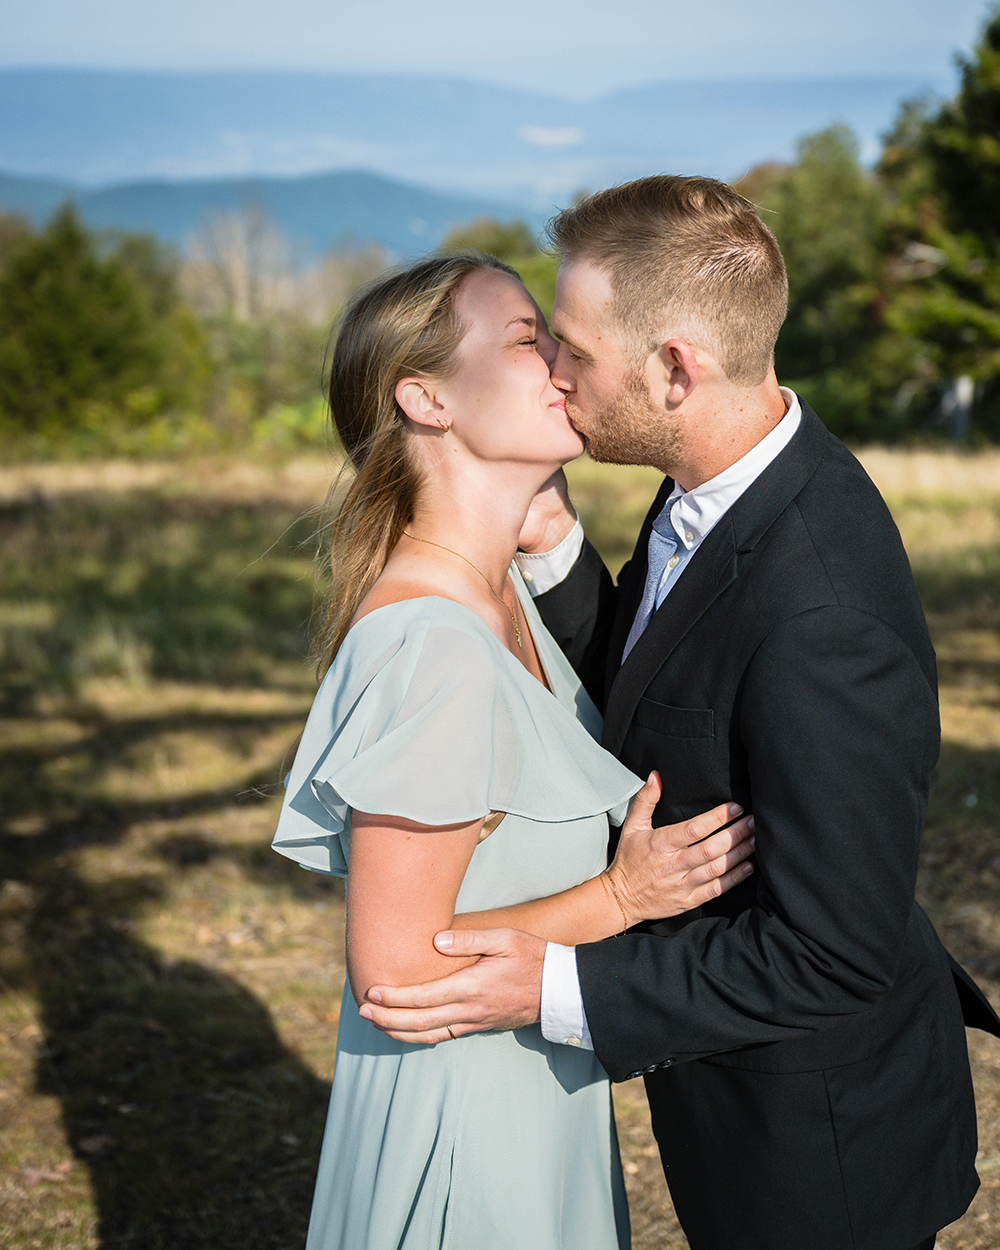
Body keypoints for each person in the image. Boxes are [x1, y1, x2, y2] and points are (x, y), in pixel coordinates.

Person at [359, 178, 1000, 1250]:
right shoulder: (723, 476)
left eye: (571, 347)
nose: (552, 372)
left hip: (819, 1155)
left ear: (673, 370)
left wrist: (557, 982)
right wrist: (560, 554)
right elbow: (675, 694)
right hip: (739, 1112)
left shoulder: (821, 609)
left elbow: (829, 953)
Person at [270, 251, 756, 1250]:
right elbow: (396, 970)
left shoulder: (504, 601)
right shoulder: (436, 652)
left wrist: (538, 531)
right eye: (528, 339)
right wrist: (620, 897)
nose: (562, 363)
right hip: (464, 1131)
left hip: (530, 1093)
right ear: (426, 398)